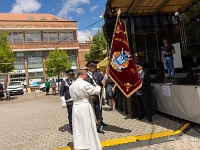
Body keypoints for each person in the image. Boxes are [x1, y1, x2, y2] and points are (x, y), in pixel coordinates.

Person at [69, 70, 102, 150]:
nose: (86, 77)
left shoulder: (72, 85)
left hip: (76, 106)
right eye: (86, 76)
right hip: (84, 106)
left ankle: (79, 145)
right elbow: (96, 91)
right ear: (84, 75)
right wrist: (98, 86)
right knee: (87, 125)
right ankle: (89, 145)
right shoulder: (85, 84)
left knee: (78, 127)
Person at [85, 61, 107, 134]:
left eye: (94, 66)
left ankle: (98, 126)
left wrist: (105, 79)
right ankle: (91, 125)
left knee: (98, 111)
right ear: (88, 67)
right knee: (90, 112)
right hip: (90, 96)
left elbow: (102, 83)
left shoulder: (98, 74)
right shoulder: (85, 75)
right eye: (91, 66)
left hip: (98, 96)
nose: (93, 67)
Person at [60, 69, 75, 135]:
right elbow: (61, 92)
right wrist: (63, 101)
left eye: (72, 75)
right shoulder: (64, 82)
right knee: (71, 115)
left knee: (77, 115)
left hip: (76, 100)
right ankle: (72, 128)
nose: (71, 76)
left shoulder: (76, 81)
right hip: (69, 101)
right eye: (70, 75)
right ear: (67, 75)